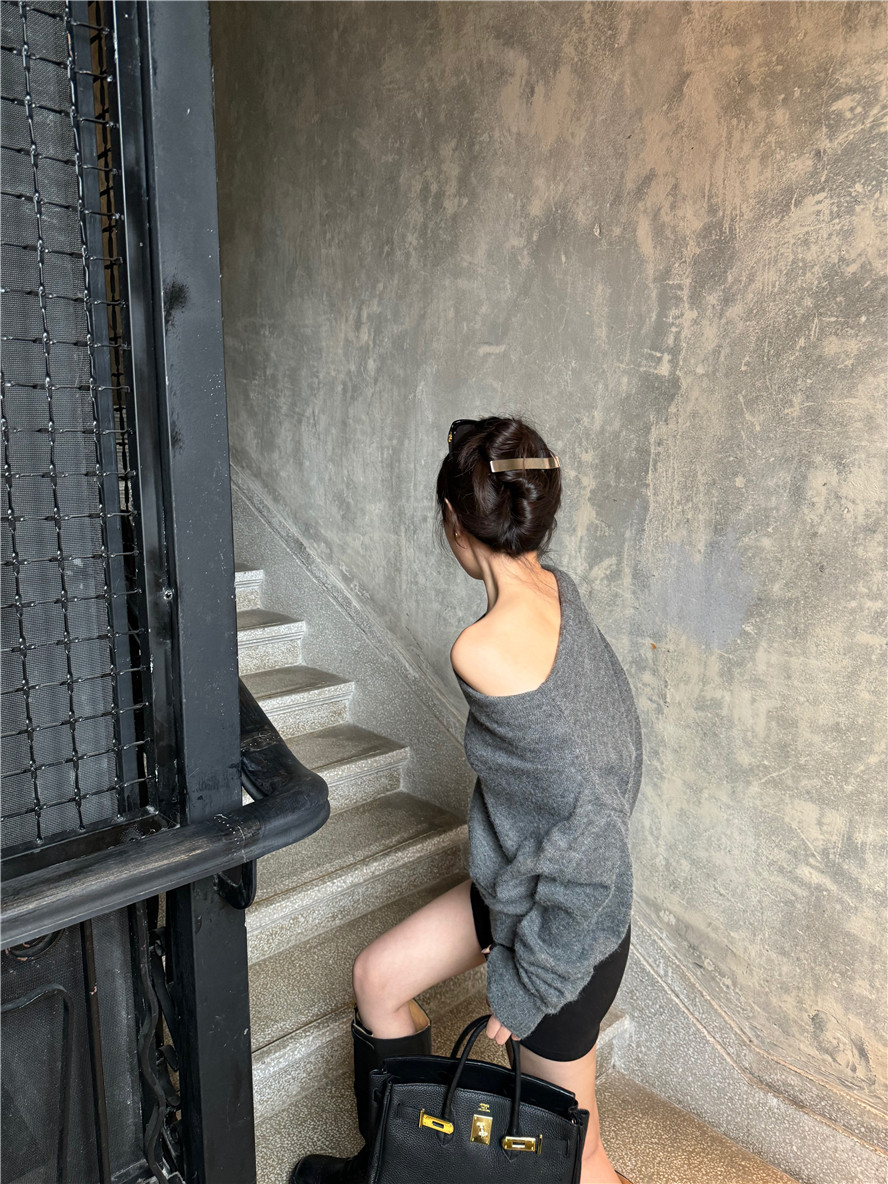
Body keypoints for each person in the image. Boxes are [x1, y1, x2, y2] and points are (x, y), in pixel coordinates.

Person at [292, 415, 641, 1184]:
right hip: (522, 889)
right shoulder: (558, 590)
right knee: (379, 978)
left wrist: (528, 985)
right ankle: (394, 1164)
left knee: (580, 1156)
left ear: (454, 518)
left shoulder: (481, 650)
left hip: (567, 930)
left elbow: (594, 844)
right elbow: (613, 765)